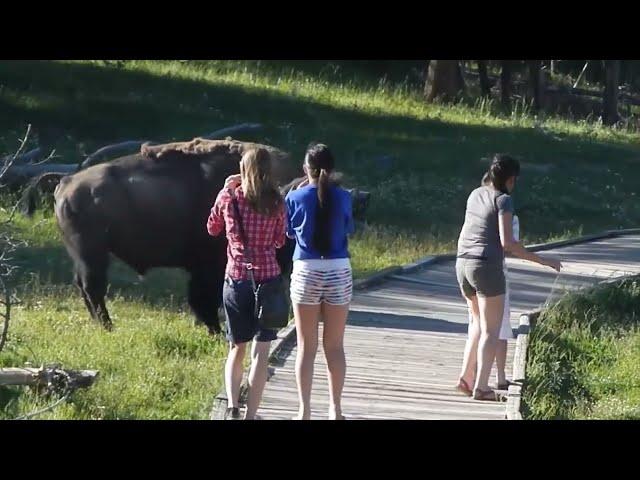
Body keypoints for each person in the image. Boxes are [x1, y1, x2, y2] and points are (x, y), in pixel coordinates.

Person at [455, 154, 562, 401]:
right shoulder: (504, 200)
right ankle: (481, 387)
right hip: (486, 266)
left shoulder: (475, 194)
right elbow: (508, 244)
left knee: (477, 324)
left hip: (462, 263)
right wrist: (543, 261)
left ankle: (465, 378)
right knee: (492, 330)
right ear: (511, 179)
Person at [207, 147, 287, 420]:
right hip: (268, 281)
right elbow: (279, 240)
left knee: (236, 347)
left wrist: (225, 190)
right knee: (261, 352)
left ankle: (232, 406)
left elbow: (212, 228)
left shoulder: (229, 197)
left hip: (237, 279)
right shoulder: (277, 200)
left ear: (244, 169)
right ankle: (251, 415)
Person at [285, 143, 354, 420]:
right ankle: (335, 409)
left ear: (305, 169)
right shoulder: (344, 197)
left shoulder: (295, 197)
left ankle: (304, 410)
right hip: (338, 269)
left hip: (306, 270)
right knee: (335, 346)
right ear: (332, 169)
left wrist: (296, 192)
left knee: (306, 346)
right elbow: (349, 228)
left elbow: (290, 233)